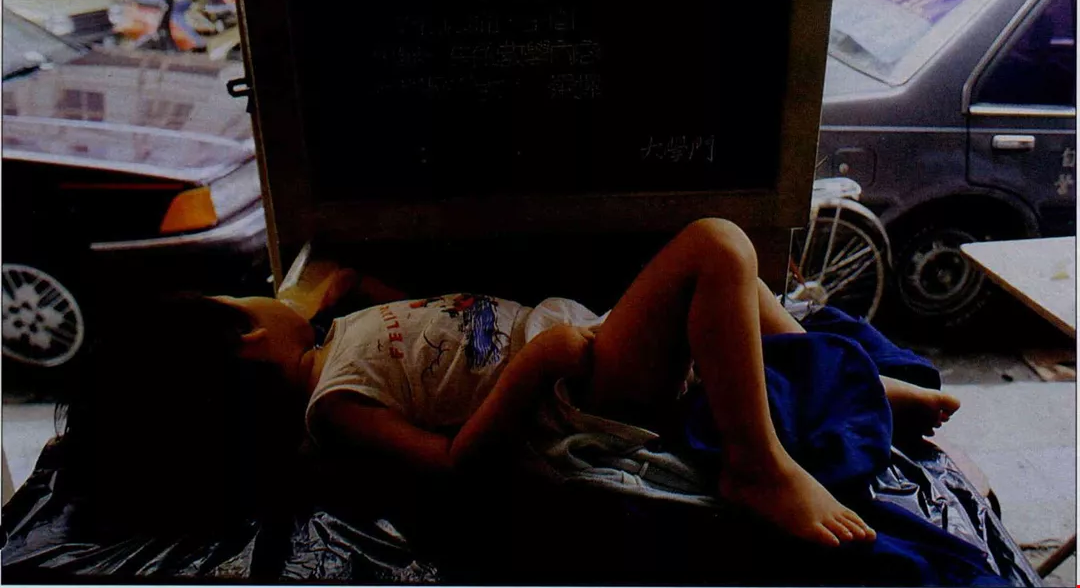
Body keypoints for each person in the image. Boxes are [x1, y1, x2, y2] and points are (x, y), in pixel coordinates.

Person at [170, 218, 956, 549]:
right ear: (249, 342)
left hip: (576, 339)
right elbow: (451, 462)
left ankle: (852, 389)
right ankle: (759, 465)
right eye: (248, 301)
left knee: (742, 292)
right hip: (575, 389)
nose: (267, 296)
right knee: (717, 246)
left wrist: (357, 291)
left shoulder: (338, 338)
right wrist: (537, 366)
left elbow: (425, 343)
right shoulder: (334, 406)